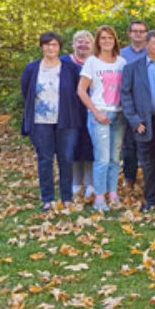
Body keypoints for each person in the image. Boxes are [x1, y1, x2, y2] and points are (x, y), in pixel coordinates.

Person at [22, 32, 82, 211]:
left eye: (54, 45)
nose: (50, 48)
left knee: (66, 159)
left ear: (60, 48)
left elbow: (77, 92)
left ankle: (67, 198)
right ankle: (47, 198)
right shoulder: (32, 68)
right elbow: (27, 92)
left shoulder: (69, 68)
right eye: (47, 44)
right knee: (45, 159)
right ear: (41, 47)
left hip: (66, 120)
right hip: (40, 121)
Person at [121, 30, 155, 212]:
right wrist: (135, 121)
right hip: (144, 124)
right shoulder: (133, 68)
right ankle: (151, 200)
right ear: (147, 46)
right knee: (148, 164)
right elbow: (125, 96)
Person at [77, 26, 128, 211]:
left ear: (115, 40)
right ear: (98, 42)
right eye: (103, 38)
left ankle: (112, 193)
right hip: (100, 115)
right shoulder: (92, 62)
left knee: (115, 158)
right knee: (102, 158)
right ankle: (99, 197)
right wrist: (96, 112)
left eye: (110, 38)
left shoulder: (122, 62)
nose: (107, 41)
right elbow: (81, 90)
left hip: (119, 114)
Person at [60, 30, 94, 199]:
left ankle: (89, 183)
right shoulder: (64, 63)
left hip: (92, 110)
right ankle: (75, 182)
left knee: (89, 147)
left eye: (87, 41)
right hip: (70, 111)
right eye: (79, 41)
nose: (83, 44)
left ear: (93, 45)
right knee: (72, 146)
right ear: (73, 44)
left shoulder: (96, 62)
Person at [120, 21, 150, 195]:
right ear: (129, 34)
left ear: (146, 34)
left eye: (142, 31)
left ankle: (148, 179)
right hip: (128, 106)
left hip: (147, 107)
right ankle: (130, 179)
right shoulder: (122, 55)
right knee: (129, 147)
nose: (138, 34)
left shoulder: (152, 53)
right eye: (135, 31)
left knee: (147, 146)